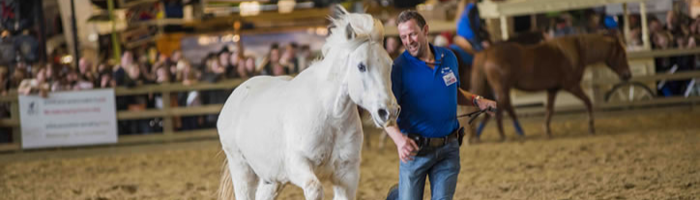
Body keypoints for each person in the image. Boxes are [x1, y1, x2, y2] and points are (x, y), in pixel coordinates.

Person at [385, 10, 497, 200]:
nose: (408, 41)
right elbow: (385, 111)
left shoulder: (449, 58)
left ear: (425, 30)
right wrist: (399, 140)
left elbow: (452, 91)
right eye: (403, 36)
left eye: (412, 34)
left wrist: (477, 100)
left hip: (448, 148)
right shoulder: (398, 68)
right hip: (415, 152)